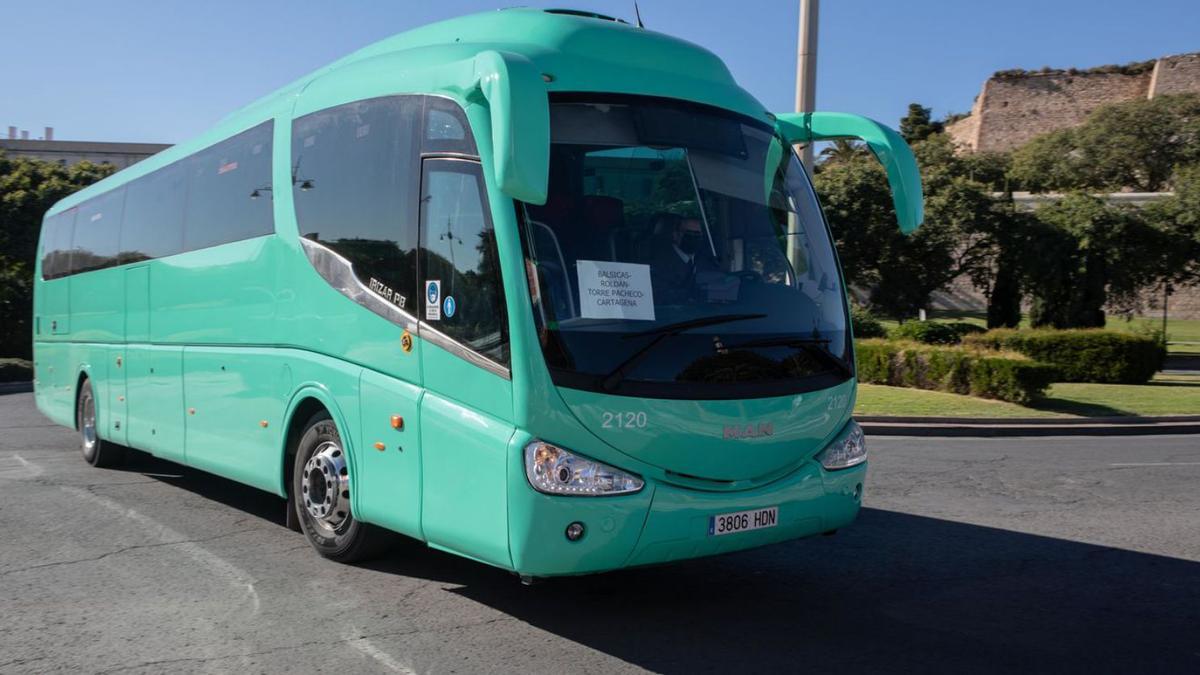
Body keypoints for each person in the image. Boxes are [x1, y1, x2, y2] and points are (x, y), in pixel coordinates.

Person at [651, 217, 716, 303]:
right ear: (675, 235)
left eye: (698, 234)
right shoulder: (659, 264)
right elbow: (660, 296)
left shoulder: (707, 261)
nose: (694, 237)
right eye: (689, 233)